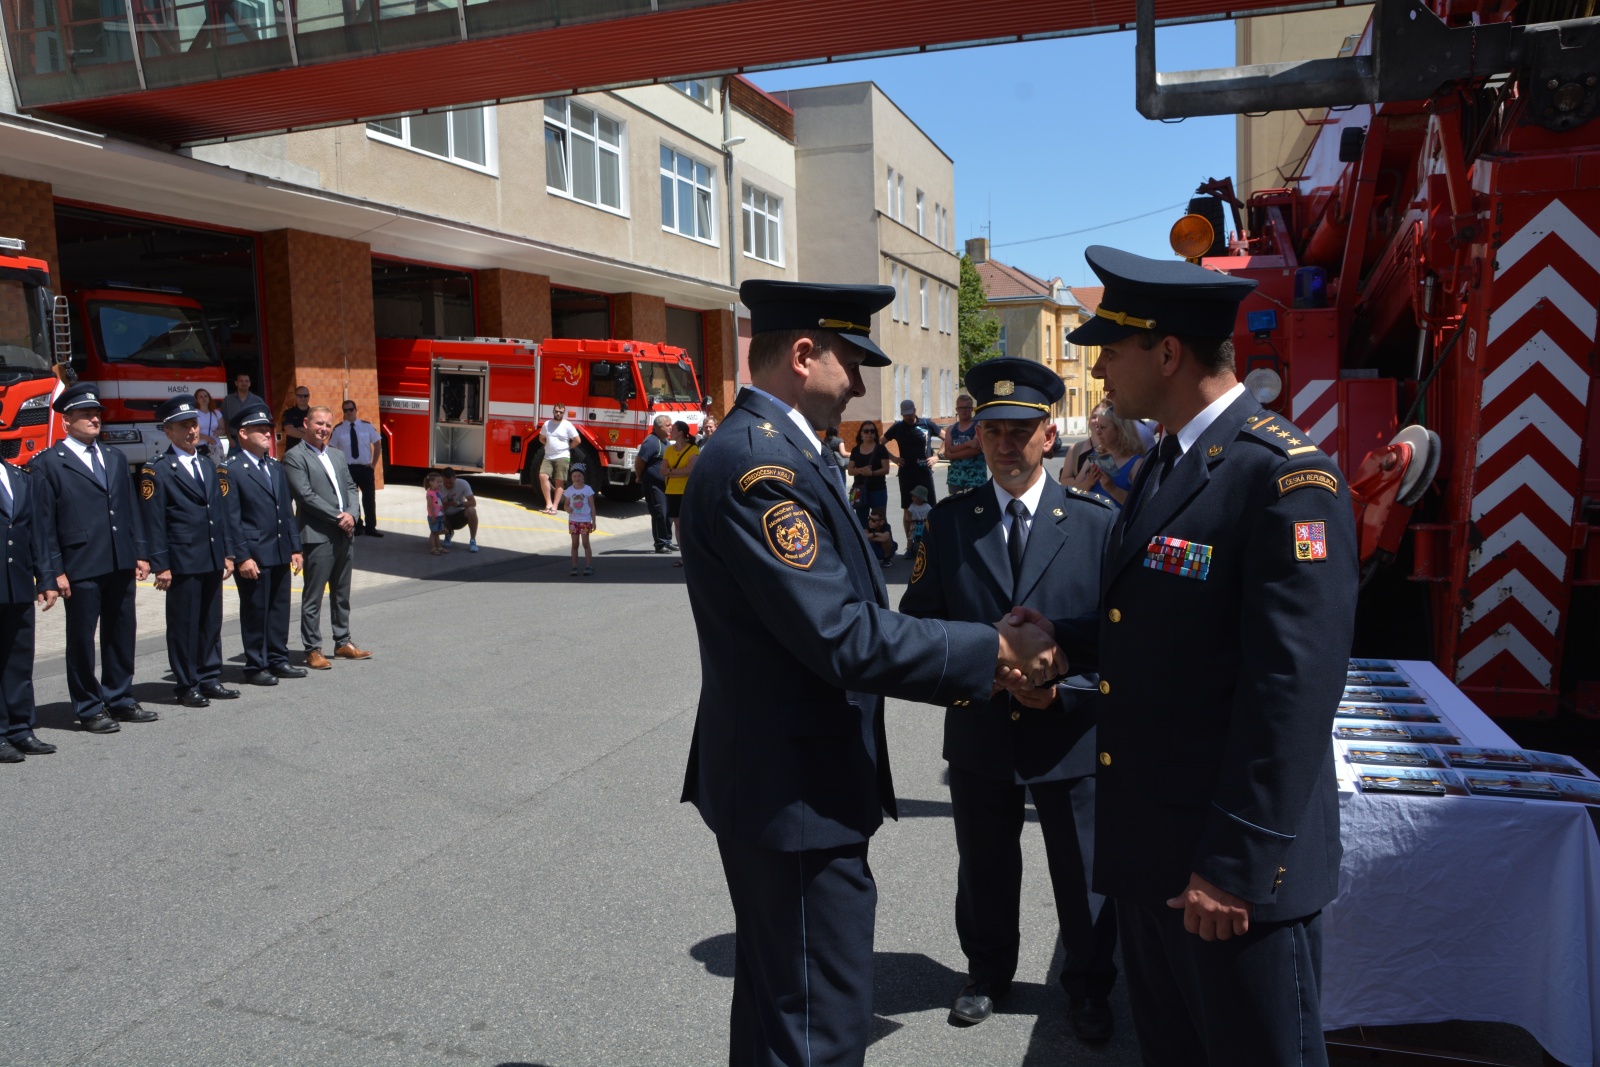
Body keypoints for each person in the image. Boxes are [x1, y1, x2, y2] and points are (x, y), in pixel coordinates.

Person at [678, 278, 1063, 1067]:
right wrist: (991, 651)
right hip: (795, 795)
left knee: (780, 1008)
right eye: (851, 361)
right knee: (817, 1024)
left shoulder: (781, 451)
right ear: (803, 354)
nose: (859, 384)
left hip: (786, 785)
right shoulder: (762, 467)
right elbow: (842, 632)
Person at [1037, 244, 1357, 1067]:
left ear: (1168, 352)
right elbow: (1156, 624)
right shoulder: (1168, 462)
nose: (1099, 370)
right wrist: (1057, 638)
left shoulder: (1283, 480)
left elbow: (1292, 689)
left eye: (1111, 349)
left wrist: (1236, 863)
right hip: (1155, 855)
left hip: (1228, 878)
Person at [900, 357, 1120, 1043]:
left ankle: (1090, 985)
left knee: (1083, 871)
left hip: (1069, 731)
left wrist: (1064, 687)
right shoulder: (950, 524)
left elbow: (1123, 638)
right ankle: (987, 973)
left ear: (1049, 436)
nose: (1003, 444)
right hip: (981, 727)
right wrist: (980, 669)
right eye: (992, 430)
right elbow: (918, 626)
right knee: (985, 866)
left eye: (1020, 431)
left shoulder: (1096, 524)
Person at [30, 383, 156, 735]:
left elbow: (130, 507)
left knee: (121, 631)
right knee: (82, 640)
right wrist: (53, 571)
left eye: (97, 414)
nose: (94, 419)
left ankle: (120, 696)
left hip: (119, 559)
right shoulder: (48, 464)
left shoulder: (113, 457)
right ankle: (88, 706)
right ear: (66, 421)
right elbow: (43, 525)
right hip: (80, 564)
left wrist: (140, 551)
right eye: (85, 414)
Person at [139, 394, 240, 707]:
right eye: (184, 426)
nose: (192, 431)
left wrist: (227, 553)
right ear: (168, 432)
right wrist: (161, 564)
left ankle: (210, 676)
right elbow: (154, 520)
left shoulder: (207, 464)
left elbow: (219, 514)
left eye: (194, 424)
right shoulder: (158, 469)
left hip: (210, 555)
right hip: (182, 558)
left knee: (210, 621)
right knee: (184, 624)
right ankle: (187, 683)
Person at [222, 402, 306, 687]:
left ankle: (278, 658)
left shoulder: (274, 466)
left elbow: (286, 510)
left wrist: (295, 547)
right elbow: (231, 518)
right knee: (256, 611)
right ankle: (256, 664)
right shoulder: (231, 469)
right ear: (242, 433)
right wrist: (242, 556)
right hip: (254, 554)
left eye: (268, 429)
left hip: (279, 549)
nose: (267, 433)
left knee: (279, 608)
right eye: (260, 429)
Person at [283, 404, 371, 670]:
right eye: (318, 423)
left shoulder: (337, 455)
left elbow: (351, 487)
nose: (323, 429)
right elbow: (306, 496)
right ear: (306, 424)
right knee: (314, 596)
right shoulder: (294, 457)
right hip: (317, 536)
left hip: (344, 533)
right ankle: (312, 648)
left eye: (328, 425)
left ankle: (343, 641)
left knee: (341, 593)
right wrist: (338, 517)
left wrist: (353, 515)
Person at [0, 453, 52, 763]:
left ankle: (20, 728)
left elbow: (36, 532)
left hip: (18, 583)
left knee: (19, 660)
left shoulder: (19, 476)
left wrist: (45, 578)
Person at [882, 398, 942, 544]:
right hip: (906, 474)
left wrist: (937, 456)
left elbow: (947, 437)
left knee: (930, 509)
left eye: (910, 414)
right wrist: (893, 458)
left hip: (924, 473)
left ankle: (930, 542)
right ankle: (910, 544)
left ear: (915, 411)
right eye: (905, 415)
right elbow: (880, 442)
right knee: (907, 509)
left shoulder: (926, 424)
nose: (908, 417)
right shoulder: (897, 427)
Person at [1069, 403, 1147, 508]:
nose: (1098, 431)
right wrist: (1088, 482)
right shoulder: (1095, 456)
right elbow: (1074, 491)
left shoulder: (1136, 463)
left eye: (1103, 427)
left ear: (1120, 430)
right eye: (1097, 427)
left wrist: (1112, 489)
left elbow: (1140, 505)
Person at [332, 399, 384, 537]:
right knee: (352, 499)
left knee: (369, 498)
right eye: (346, 410)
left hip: (365, 468)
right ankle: (358, 526)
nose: (348, 412)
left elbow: (377, 444)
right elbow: (331, 448)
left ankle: (371, 527)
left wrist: (373, 464)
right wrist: (338, 466)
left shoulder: (367, 426)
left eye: (351, 409)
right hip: (348, 469)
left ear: (356, 410)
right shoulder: (338, 429)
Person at [635, 415, 672, 553]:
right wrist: (639, 477)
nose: (670, 427)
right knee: (659, 513)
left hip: (666, 485)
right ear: (657, 427)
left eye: (671, 425)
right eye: (667, 425)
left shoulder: (666, 441)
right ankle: (660, 543)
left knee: (668, 513)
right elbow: (640, 461)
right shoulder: (651, 442)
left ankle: (667, 540)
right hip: (653, 485)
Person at [662, 419, 697, 562]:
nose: (670, 431)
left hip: (687, 491)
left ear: (681, 432)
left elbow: (690, 470)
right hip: (672, 491)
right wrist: (679, 472)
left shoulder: (693, 449)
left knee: (688, 524)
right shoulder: (669, 450)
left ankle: (693, 554)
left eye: (673, 429)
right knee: (677, 525)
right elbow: (662, 470)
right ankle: (684, 557)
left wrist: (671, 471)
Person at [846, 421, 892, 528]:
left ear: (875, 434)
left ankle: (880, 538)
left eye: (872, 431)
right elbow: (850, 471)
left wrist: (872, 473)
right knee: (861, 521)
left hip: (878, 490)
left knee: (879, 520)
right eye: (866, 431)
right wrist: (860, 470)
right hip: (859, 490)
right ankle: (865, 539)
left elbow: (886, 469)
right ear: (861, 434)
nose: (869, 433)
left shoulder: (881, 449)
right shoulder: (855, 450)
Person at [538, 403, 580, 515]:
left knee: (559, 481)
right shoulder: (547, 424)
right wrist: (548, 445)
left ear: (563, 413)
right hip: (548, 456)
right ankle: (548, 503)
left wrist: (567, 448)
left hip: (562, 457)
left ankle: (554, 507)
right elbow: (541, 438)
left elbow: (577, 440)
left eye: (560, 412)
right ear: (553, 412)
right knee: (543, 476)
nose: (558, 413)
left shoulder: (567, 425)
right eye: (556, 411)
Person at [942, 393, 987, 495]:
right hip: (955, 479)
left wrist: (953, 450)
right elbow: (947, 452)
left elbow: (975, 450)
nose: (964, 411)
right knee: (955, 505)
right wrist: (968, 444)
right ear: (957, 409)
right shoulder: (951, 429)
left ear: (972, 409)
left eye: (967, 408)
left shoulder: (978, 426)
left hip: (976, 479)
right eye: (961, 408)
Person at [565, 462, 597, 577]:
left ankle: (589, 565)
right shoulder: (569, 490)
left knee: (585, 543)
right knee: (574, 544)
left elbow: (592, 506)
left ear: (583, 477)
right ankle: (574, 566)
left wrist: (593, 521)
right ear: (571, 477)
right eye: (574, 476)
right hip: (573, 520)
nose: (577, 478)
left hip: (585, 520)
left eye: (579, 476)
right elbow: (566, 505)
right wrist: (568, 509)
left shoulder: (588, 490)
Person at [439, 469, 479, 552]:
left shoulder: (463, 484)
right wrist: (443, 506)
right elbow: (431, 505)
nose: (448, 485)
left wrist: (459, 504)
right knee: (434, 515)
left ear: (455, 478)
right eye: (445, 483)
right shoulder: (438, 485)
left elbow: (473, 502)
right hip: (444, 516)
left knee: (472, 510)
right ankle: (448, 533)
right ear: (442, 479)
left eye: (451, 483)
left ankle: (473, 540)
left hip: (458, 516)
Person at [194, 389, 223, 456]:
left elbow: (223, 429)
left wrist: (219, 432)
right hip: (200, 447)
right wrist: (207, 438)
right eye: (201, 397)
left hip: (216, 446)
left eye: (206, 396)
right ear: (197, 400)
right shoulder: (194, 413)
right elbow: (191, 433)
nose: (204, 398)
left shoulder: (216, 413)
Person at [424, 471, 447, 555]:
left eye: (441, 482)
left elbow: (440, 504)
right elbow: (430, 506)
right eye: (438, 482)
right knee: (433, 532)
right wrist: (433, 516)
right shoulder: (430, 493)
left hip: (439, 515)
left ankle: (439, 547)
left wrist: (443, 513)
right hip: (434, 516)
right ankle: (433, 548)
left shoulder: (437, 492)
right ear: (431, 482)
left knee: (437, 532)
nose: (440, 484)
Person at [906, 482, 932, 552]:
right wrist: (909, 519)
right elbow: (908, 513)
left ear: (920, 498)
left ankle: (928, 549)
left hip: (924, 525)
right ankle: (908, 550)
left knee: (927, 535)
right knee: (910, 536)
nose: (912, 498)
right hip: (915, 525)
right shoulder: (912, 506)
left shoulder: (927, 507)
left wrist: (927, 520)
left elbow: (931, 515)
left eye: (914, 497)